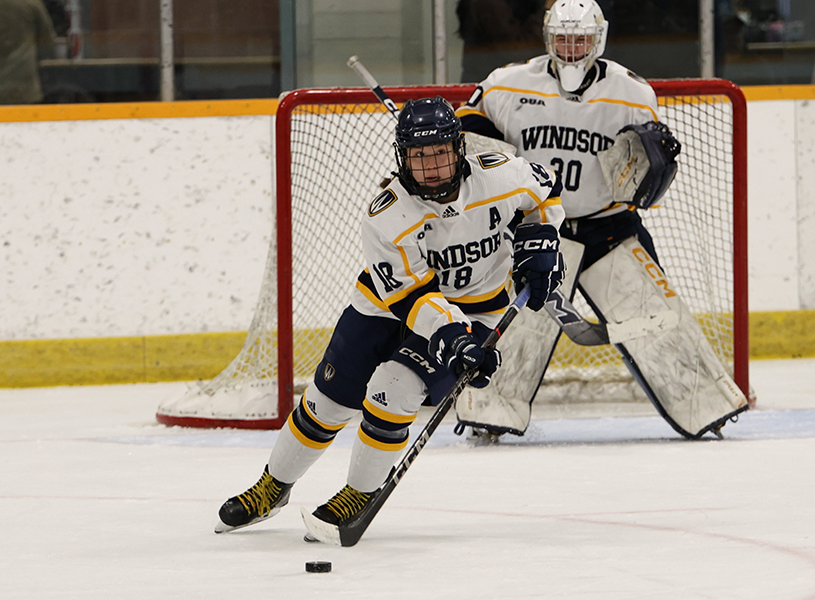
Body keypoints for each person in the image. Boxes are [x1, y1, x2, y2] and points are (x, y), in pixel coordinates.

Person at [215, 97, 566, 535]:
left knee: (393, 390)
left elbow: (548, 192)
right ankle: (273, 486)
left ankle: (359, 493)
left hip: (478, 309)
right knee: (326, 402)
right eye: (420, 157)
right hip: (386, 307)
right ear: (402, 159)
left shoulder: (502, 175)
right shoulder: (387, 215)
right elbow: (413, 298)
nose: (433, 167)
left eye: (440, 153)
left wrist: (542, 236)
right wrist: (455, 340)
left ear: (459, 150)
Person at [454, 0, 749, 439]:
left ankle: (705, 407)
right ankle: (487, 417)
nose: (571, 49)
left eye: (581, 40)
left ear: (599, 40)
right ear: (547, 38)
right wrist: (474, 150)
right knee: (514, 328)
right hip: (535, 230)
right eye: (563, 39)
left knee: (658, 321)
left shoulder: (631, 92)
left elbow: (646, 169)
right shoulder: (507, 84)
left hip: (610, 228)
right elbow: (471, 133)